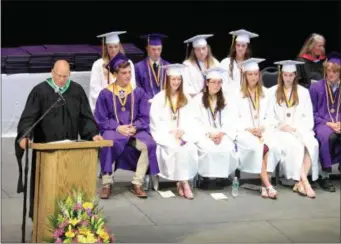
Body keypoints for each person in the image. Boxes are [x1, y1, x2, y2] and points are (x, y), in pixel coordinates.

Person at [15, 60, 102, 219]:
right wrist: (25, 136)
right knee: (45, 189)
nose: (62, 79)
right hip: (45, 153)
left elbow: (85, 118)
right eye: (59, 75)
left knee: (70, 189)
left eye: (65, 76)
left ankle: (69, 225)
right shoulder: (40, 91)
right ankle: (42, 222)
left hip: (71, 152)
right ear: (52, 72)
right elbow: (29, 118)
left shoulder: (76, 91)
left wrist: (92, 134)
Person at [94, 52, 159, 199]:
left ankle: (137, 182)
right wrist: (118, 127)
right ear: (115, 74)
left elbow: (144, 116)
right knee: (107, 143)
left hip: (134, 130)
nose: (128, 76)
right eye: (124, 73)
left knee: (149, 144)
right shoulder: (105, 94)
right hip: (114, 129)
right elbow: (101, 118)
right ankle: (107, 183)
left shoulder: (139, 92)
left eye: (129, 72)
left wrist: (135, 127)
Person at [267, 59, 319, 199]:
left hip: (299, 129)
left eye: (291, 75)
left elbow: (308, 116)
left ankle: (299, 183)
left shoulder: (303, 92)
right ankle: (304, 182)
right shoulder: (272, 92)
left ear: (295, 75)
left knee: (312, 144)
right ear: (281, 75)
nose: (288, 78)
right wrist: (281, 125)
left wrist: (296, 129)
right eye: (285, 75)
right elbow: (269, 116)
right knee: (296, 145)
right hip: (280, 131)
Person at [150, 64, 198, 199]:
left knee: (189, 148)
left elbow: (193, 119)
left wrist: (184, 131)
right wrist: (170, 133)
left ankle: (181, 182)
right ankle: (184, 183)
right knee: (175, 148)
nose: (176, 82)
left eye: (178, 79)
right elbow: (155, 122)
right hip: (166, 135)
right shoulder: (159, 98)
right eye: (173, 79)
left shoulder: (187, 98)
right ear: (168, 80)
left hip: (183, 134)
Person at [235, 58, 281, 199]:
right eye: (250, 74)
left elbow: (271, 116)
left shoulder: (267, 93)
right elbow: (235, 118)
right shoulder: (238, 95)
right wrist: (249, 129)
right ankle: (267, 185)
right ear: (245, 76)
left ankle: (264, 185)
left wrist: (262, 127)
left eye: (256, 74)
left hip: (263, 130)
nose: (253, 77)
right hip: (245, 133)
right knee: (258, 146)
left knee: (272, 146)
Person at [191, 66, 239, 181]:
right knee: (208, 148)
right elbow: (195, 121)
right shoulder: (198, 100)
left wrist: (222, 133)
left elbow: (231, 119)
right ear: (207, 83)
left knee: (226, 147)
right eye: (213, 82)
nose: (216, 85)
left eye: (219, 82)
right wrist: (209, 134)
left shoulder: (226, 100)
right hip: (205, 134)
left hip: (222, 134)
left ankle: (222, 176)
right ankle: (206, 176)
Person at [309, 51, 341, 192]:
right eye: (328, 71)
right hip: (321, 123)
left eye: (335, 71)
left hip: (339, 123)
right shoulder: (316, 87)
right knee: (326, 136)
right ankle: (324, 176)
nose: (331, 74)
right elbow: (311, 112)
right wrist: (329, 124)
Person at [89, 31, 136, 112]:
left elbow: (132, 85)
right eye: (110, 47)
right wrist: (109, 100)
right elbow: (94, 89)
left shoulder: (128, 63)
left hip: (124, 105)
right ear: (106, 47)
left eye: (115, 46)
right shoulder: (98, 65)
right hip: (105, 105)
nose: (113, 50)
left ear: (119, 46)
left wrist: (120, 100)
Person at [134, 33, 170, 101]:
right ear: (147, 49)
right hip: (146, 104)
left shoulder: (168, 66)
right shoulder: (138, 67)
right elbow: (137, 88)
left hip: (165, 104)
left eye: (159, 49)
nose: (156, 52)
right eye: (153, 49)